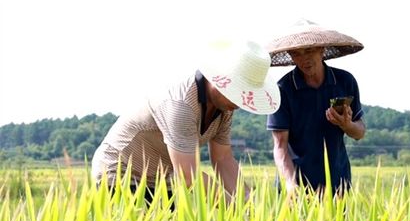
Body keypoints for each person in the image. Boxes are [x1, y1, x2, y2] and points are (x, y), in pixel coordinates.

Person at [91, 39, 280, 205]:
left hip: (162, 181)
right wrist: (234, 208)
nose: (240, 102)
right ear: (220, 78)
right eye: (237, 91)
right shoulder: (181, 104)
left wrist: (248, 200)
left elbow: (223, 159)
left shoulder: (225, 107)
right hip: (120, 175)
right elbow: (188, 174)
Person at [266, 19, 365, 197]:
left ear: (322, 49)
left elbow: (359, 133)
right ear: (290, 55)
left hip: (338, 183)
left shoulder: (344, 81)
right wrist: (289, 183)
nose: (304, 58)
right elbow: (280, 146)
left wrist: (347, 125)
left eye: (309, 50)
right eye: (297, 53)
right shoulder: (282, 90)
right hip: (297, 185)